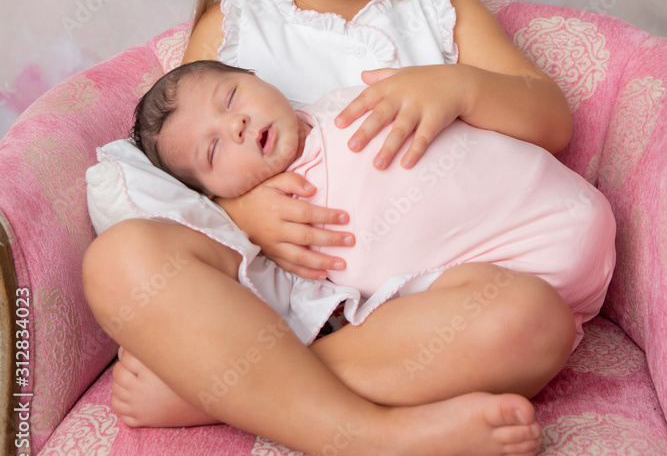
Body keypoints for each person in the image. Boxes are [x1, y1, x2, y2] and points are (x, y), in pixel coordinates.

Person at [82, 0, 583, 456]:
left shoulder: (435, 7)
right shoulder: (232, 26)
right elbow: (178, 172)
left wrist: (460, 86)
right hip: (276, 297)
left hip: (422, 299)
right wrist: (241, 206)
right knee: (119, 258)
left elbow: (550, 120)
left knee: (531, 324)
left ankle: (231, 390)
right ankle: (371, 438)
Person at [130, 58, 615, 350]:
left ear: (257, 75)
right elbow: (299, 314)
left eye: (231, 96)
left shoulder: (351, 99)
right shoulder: (276, 237)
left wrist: (447, 83)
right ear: (212, 194)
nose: (233, 125)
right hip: (506, 295)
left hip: (556, 208)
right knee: (481, 326)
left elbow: (483, 115)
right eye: (213, 150)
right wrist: (238, 218)